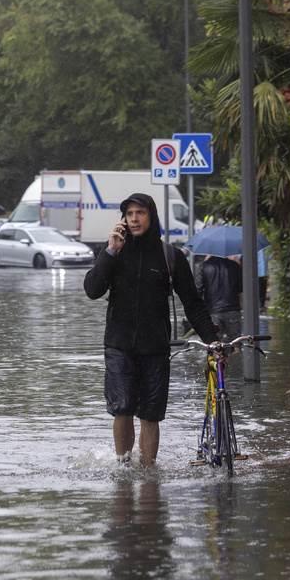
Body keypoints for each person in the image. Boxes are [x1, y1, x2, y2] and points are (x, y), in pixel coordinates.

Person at [83, 192, 218, 467]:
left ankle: (148, 473)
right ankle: (122, 468)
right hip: (119, 346)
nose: (134, 219)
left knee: (151, 414)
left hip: (156, 348)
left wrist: (213, 341)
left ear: (151, 216)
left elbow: (193, 303)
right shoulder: (114, 253)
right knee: (122, 408)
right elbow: (92, 290)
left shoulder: (171, 257)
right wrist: (110, 252)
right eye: (129, 214)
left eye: (140, 213)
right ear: (123, 219)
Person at [195, 254, 243, 339]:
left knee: (215, 345)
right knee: (236, 342)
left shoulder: (203, 266)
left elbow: (198, 290)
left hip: (213, 311)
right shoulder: (234, 265)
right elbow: (240, 288)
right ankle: (237, 351)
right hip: (233, 309)